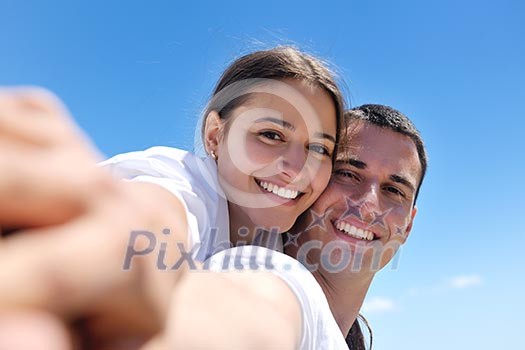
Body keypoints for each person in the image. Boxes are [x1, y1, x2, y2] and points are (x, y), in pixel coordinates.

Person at [0, 102, 426, 349]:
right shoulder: (270, 275)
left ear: (408, 224)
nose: (367, 205)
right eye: (348, 173)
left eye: (394, 190)